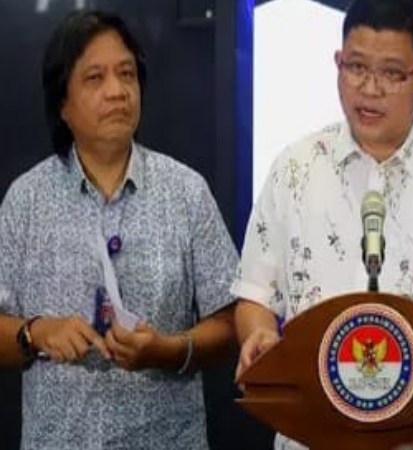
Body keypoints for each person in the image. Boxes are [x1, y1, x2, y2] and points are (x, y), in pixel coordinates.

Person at [231, 0, 413, 449]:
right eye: (356, 67)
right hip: (310, 436)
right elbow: (254, 296)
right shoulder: (293, 169)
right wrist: (259, 334)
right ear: (337, 64)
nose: (369, 89)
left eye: (391, 73)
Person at [0, 10, 239, 450]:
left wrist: (169, 350)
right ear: (63, 104)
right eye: (95, 78)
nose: (117, 91)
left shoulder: (186, 191)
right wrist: (35, 333)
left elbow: (229, 322)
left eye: (126, 74)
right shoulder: (25, 200)